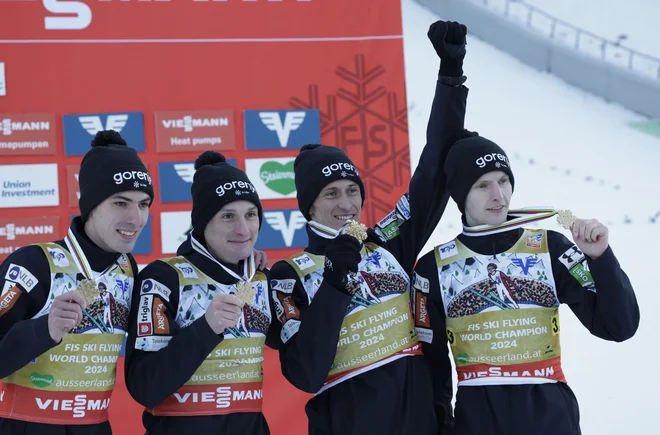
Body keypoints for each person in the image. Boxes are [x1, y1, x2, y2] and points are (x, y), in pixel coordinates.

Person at [267, 20, 470, 435]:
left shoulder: (386, 241)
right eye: (330, 195)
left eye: (351, 190)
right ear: (308, 206)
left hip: (420, 418)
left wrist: (450, 76)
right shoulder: (288, 275)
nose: (346, 204)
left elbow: (433, 172)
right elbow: (305, 372)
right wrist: (336, 283)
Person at [412, 131, 640, 434]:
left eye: (503, 181)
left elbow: (618, 327)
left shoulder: (550, 247)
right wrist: (441, 425)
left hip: (549, 417)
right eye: (482, 185)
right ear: (460, 194)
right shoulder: (434, 268)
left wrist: (601, 260)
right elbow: (432, 366)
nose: (499, 196)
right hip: (478, 419)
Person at [0, 130, 153, 435]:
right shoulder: (34, 263)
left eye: (144, 204)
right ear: (91, 204)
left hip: (95, 426)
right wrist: (46, 329)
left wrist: (243, 259)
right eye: (121, 203)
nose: (136, 219)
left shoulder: (127, 268)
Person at [124, 151, 277, 435]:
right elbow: (145, 386)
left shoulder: (259, 278)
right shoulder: (164, 277)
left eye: (251, 215)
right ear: (204, 223)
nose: (243, 229)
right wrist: (205, 329)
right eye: (228, 216)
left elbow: (302, 358)